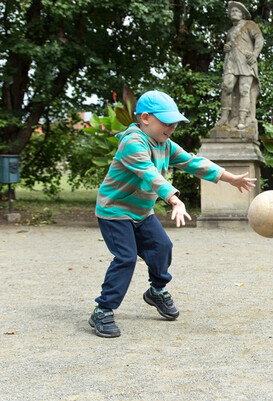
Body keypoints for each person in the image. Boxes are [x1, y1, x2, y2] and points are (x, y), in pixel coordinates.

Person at [89, 90, 256, 338]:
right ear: (145, 118)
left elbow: (192, 162)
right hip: (115, 211)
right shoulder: (132, 142)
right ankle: (102, 310)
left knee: (162, 247)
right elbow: (150, 174)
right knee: (125, 258)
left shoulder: (164, 144)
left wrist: (229, 178)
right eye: (167, 122)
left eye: (174, 123)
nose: (172, 127)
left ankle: (156, 291)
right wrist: (174, 199)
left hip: (141, 212)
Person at [216, 1, 263, 130]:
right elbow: (229, 46)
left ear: (242, 14)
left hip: (246, 61)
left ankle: (242, 119)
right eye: (232, 11)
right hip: (232, 61)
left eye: (236, 11)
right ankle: (225, 117)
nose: (233, 13)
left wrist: (255, 54)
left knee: (244, 90)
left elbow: (259, 39)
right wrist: (226, 48)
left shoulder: (249, 25)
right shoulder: (230, 31)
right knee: (227, 86)